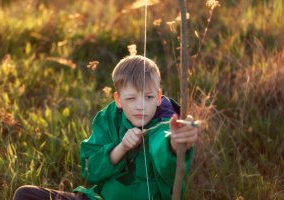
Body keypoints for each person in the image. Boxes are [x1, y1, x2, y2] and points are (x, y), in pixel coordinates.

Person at [13, 55, 198, 200]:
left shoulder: (164, 120)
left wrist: (175, 142)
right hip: (98, 198)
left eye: (148, 97)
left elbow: (163, 151)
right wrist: (122, 147)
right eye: (131, 98)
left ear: (158, 97)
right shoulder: (108, 118)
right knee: (26, 194)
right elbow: (89, 170)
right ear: (118, 100)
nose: (140, 106)